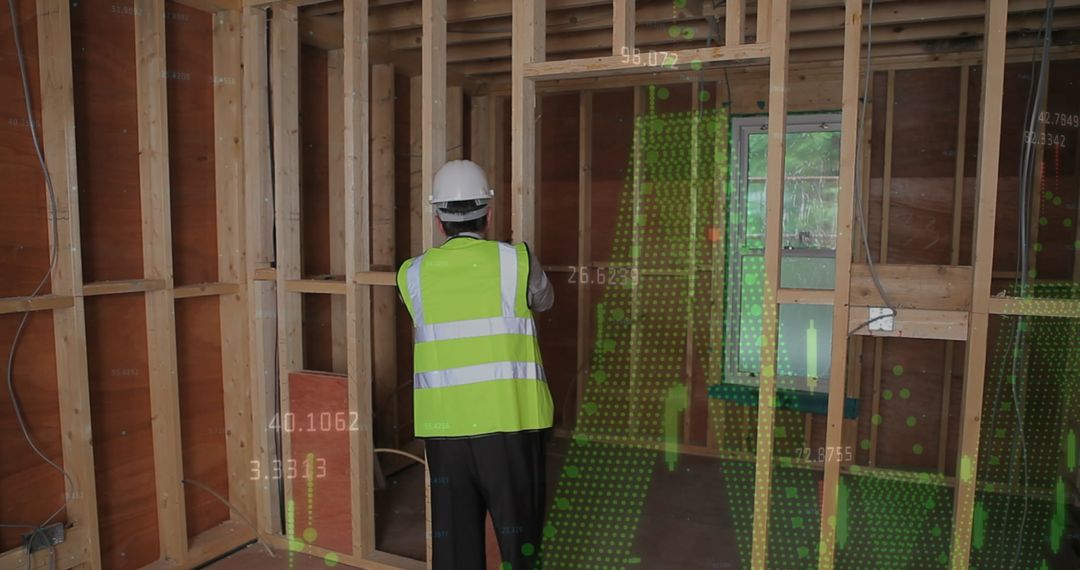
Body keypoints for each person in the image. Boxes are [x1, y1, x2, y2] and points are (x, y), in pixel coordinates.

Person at [396, 159, 555, 570]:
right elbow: (545, 300)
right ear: (489, 213)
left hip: (446, 435)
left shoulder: (411, 275)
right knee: (520, 541)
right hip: (511, 427)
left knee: (454, 550)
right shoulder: (516, 262)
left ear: (437, 219)